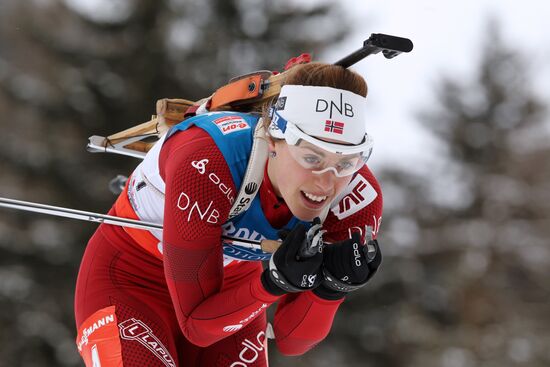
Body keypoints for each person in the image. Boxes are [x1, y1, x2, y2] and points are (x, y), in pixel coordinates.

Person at [74, 61, 383, 366]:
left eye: (346, 162)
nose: (326, 181)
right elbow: (197, 325)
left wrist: (331, 289)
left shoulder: (357, 198)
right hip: (131, 279)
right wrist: (273, 284)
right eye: (311, 157)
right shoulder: (210, 157)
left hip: (229, 294)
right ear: (274, 139)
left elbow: (291, 342)